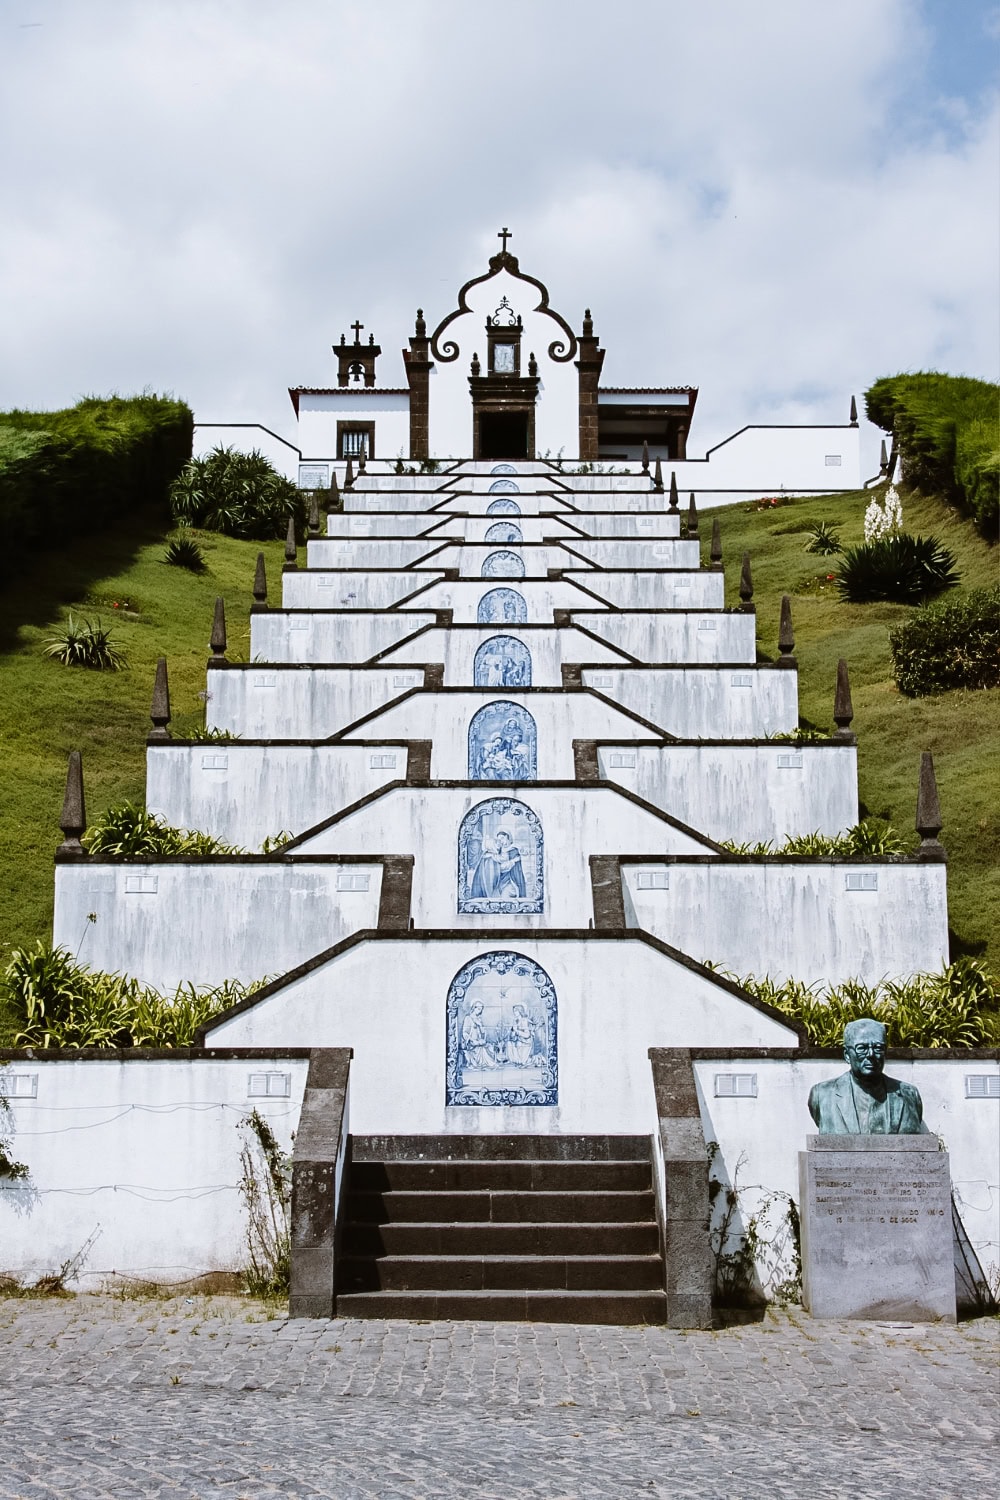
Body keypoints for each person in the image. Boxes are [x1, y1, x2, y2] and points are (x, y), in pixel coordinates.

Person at [808, 1018, 924, 1134]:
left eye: (878, 1048)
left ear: (885, 1053)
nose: (871, 1054)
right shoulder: (822, 1094)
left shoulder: (909, 1094)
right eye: (862, 1048)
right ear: (847, 1055)